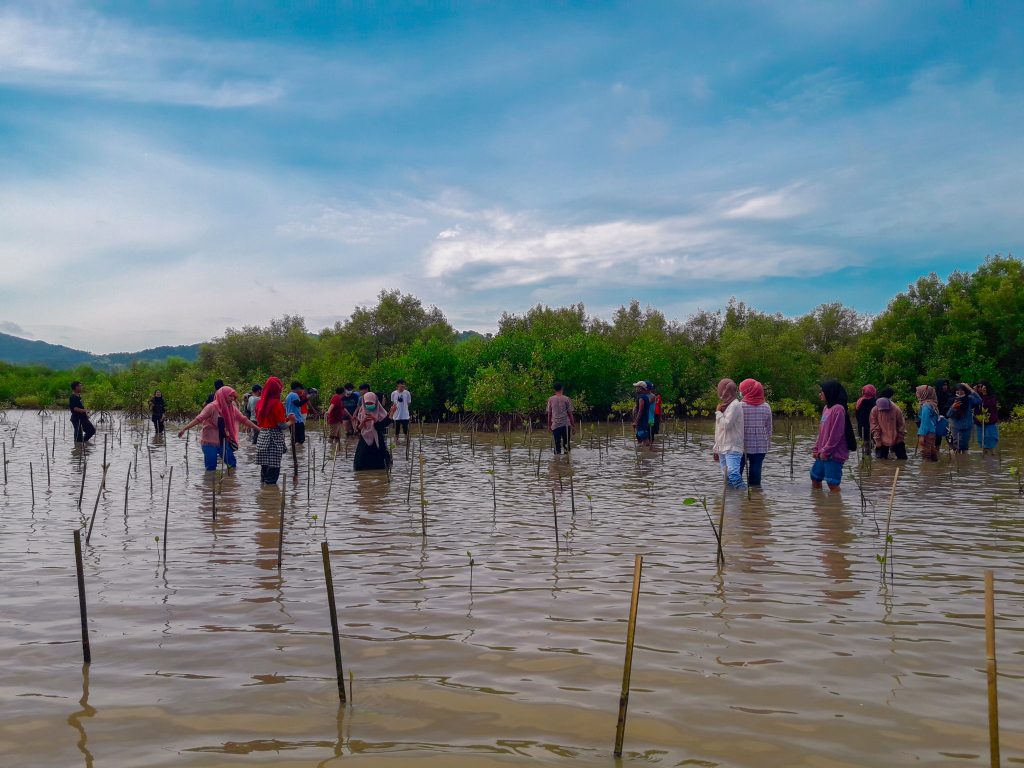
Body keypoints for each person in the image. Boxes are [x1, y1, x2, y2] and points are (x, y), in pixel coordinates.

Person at [177, 386, 257, 471]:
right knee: (211, 467)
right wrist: (184, 429)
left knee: (232, 464)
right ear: (223, 396)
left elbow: (243, 419)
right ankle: (211, 484)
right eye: (230, 396)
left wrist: (258, 428)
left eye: (233, 396)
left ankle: (229, 482)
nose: (232, 398)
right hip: (209, 441)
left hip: (223, 440)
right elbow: (198, 419)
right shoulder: (212, 407)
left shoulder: (231, 408)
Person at [811, 380, 856, 492]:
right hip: (823, 452)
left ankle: (836, 508)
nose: (820, 394)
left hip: (834, 453)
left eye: (822, 392)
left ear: (830, 392)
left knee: (832, 483)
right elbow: (822, 431)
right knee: (815, 477)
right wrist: (817, 448)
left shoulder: (839, 409)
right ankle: (820, 507)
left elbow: (837, 434)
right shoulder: (826, 408)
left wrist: (826, 451)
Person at [255, 376, 296, 484]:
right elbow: (281, 425)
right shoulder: (277, 404)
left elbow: (264, 421)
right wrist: (291, 421)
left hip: (262, 437)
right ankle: (271, 497)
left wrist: (286, 419)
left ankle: (264, 496)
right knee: (272, 474)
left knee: (264, 473)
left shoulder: (260, 403)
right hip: (273, 439)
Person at [713, 378, 745, 489]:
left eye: (722, 390)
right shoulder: (724, 406)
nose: (721, 392)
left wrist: (718, 413)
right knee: (727, 478)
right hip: (722, 447)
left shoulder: (735, 405)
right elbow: (719, 430)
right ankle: (732, 503)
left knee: (733, 475)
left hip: (732, 447)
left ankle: (747, 500)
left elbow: (726, 425)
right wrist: (716, 448)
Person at [738, 378, 772, 487]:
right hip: (760, 446)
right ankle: (756, 499)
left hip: (742, 445)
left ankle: (735, 496)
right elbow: (769, 428)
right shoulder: (766, 407)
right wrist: (768, 442)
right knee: (755, 474)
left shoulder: (739, 406)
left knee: (737, 472)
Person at [353, 392, 392, 471]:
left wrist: (375, 420)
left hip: (377, 440)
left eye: (372, 403)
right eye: (367, 403)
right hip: (365, 440)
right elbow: (358, 429)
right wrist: (363, 421)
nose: (369, 405)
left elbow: (382, 426)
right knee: (361, 465)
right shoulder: (361, 413)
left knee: (381, 465)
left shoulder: (381, 413)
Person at [869, 391, 907, 460]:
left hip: (896, 435)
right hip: (881, 437)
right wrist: (877, 440)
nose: (884, 412)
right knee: (881, 460)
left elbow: (901, 425)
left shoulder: (896, 409)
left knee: (902, 458)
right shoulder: (874, 410)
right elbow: (874, 426)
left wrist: (900, 437)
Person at [946, 382, 981, 453]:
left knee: (965, 447)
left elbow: (979, 400)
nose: (959, 392)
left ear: (965, 391)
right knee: (956, 447)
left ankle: (964, 462)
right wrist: (953, 407)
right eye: (957, 390)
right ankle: (956, 462)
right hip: (956, 427)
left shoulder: (969, 399)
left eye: (961, 390)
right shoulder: (952, 399)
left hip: (967, 426)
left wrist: (969, 387)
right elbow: (948, 414)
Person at [546, 382, 575, 455]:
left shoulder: (551, 399)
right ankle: (567, 463)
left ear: (554, 390)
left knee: (557, 447)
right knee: (566, 446)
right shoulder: (567, 399)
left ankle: (557, 463)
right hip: (566, 425)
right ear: (562, 388)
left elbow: (549, 414)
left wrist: (549, 426)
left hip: (555, 425)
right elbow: (570, 414)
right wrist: (573, 426)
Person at [915, 384, 941, 462]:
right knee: (931, 451)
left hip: (927, 433)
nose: (916, 394)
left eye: (918, 392)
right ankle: (934, 470)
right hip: (932, 431)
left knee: (926, 454)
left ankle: (927, 471)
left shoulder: (926, 406)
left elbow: (925, 422)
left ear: (924, 394)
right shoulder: (933, 404)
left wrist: (922, 436)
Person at [974, 381, 999, 455]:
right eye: (978, 387)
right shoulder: (976, 397)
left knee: (990, 440)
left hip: (990, 422)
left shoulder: (992, 397)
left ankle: (990, 459)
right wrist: (974, 393)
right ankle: (985, 462)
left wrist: (984, 395)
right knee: (982, 442)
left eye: (982, 386)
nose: (980, 388)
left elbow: (987, 405)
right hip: (979, 422)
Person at [632, 381, 655, 446]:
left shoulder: (641, 397)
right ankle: (642, 453)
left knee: (645, 441)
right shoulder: (645, 397)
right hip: (643, 421)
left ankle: (647, 453)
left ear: (641, 388)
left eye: (637, 387)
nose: (635, 389)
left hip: (642, 422)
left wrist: (636, 421)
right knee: (640, 439)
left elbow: (640, 410)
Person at [854, 384, 877, 450]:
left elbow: (857, 415)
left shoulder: (859, 401)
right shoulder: (875, 401)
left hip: (862, 427)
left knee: (866, 445)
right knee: (877, 444)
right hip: (874, 427)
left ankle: (866, 457)